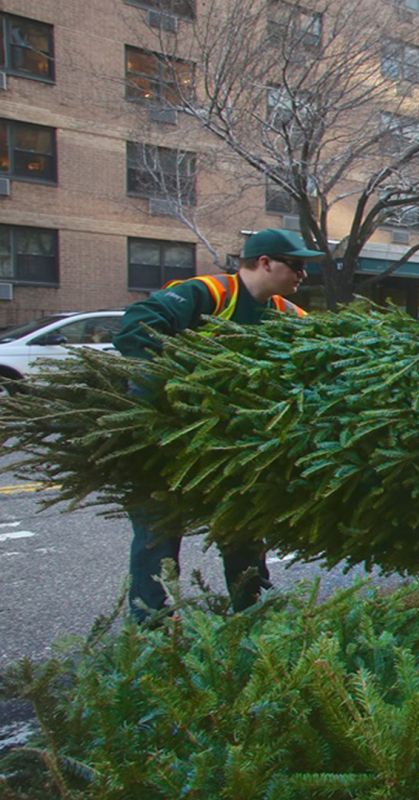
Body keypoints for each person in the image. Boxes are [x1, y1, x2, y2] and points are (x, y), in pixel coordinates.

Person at [114, 228, 317, 620]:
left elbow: (326, 345)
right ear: (265, 263)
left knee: (242, 527)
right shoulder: (208, 293)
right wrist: (184, 388)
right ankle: (153, 621)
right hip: (167, 440)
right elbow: (137, 327)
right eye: (297, 266)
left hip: (229, 446)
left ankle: (253, 610)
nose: (302, 276)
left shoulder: (285, 314)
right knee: (158, 528)